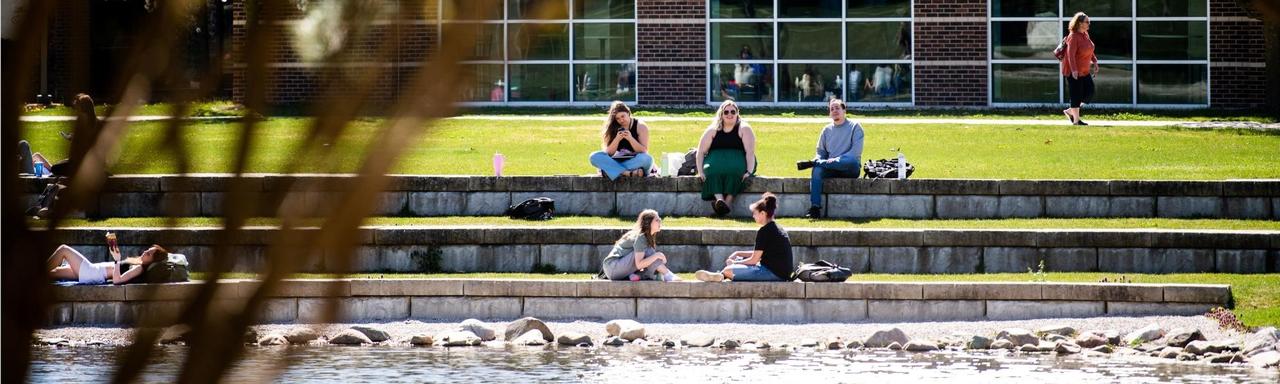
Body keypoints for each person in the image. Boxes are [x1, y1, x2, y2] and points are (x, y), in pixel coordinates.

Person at [694, 193, 792, 282]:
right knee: (737, 261)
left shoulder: (765, 231)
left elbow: (754, 260)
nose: (753, 216)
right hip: (780, 273)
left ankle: (722, 274)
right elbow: (760, 254)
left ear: (763, 213)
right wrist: (739, 253)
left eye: (755, 213)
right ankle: (720, 275)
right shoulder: (776, 228)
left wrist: (735, 263)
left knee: (729, 270)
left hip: (773, 273)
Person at [797, 99, 864, 218]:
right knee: (817, 170)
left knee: (850, 161)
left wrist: (837, 159)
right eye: (832, 109)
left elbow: (855, 153)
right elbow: (820, 153)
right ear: (829, 113)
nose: (834, 111)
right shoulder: (826, 130)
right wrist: (821, 160)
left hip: (849, 168)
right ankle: (815, 208)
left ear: (844, 110)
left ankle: (814, 163)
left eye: (837, 108)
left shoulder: (855, 127)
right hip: (830, 167)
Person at [696, 100, 757, 216]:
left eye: (733, 112)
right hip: (715, 162)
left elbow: (750, 152)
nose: (730, 114)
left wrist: (749, 171)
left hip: (739, 161)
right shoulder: (713, 129)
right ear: (721, 114)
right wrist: (700, 171)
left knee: (736, 172)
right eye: (726, 112)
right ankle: (720, 200)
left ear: (737, 113)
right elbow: (700, 152)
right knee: (712, 171)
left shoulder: (744, 128)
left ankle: (726, 203)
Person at [600, 209, 680, 282]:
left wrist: (656, 257)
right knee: (649, 252)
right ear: (648, 223)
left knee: (650, 258)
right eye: (657, 220)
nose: (660, 221)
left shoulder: (644, 237)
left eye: (660, 219)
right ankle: (667, 275)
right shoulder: (641, 237)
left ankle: (637, 275)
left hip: (616, 270)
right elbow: (639, 265)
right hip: (613, 266)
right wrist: (658, 255)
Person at [588, 101, 653, 180]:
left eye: (623, 116)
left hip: (635, 161)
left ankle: (611, 171)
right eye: (618, 118)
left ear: (628, 113)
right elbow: (609, 153)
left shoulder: (640, 126)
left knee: (647, 159)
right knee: (594, 156)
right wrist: (617, 139)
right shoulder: (613, 127)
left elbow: (644, 150)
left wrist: (630, 138)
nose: (621, 120)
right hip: (618, 160)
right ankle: (627, 173)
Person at [47, 243, 169, 285]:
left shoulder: (139, 268)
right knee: (54, 272)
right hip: (93, 271)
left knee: (63, 249)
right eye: (148, 250)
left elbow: (117, 280)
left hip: (92, 272)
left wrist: (117, 260)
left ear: (152, 261)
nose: (145, 252)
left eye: (149, 254)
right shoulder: (138, 262)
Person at [1062, 12, 1098, 126]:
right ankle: (1076, 121)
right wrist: (1074, 70)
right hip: (1073, 71)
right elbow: (1070, 55)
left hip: (1084, 70)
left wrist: (1095, 61)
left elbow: (1090, 49)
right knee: (1076, 94)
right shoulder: (1073, 36)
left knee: (1089, 91)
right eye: (1087, 22)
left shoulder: (1085, 34)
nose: (1089, 24)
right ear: (1080, 23)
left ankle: (1070, 111)